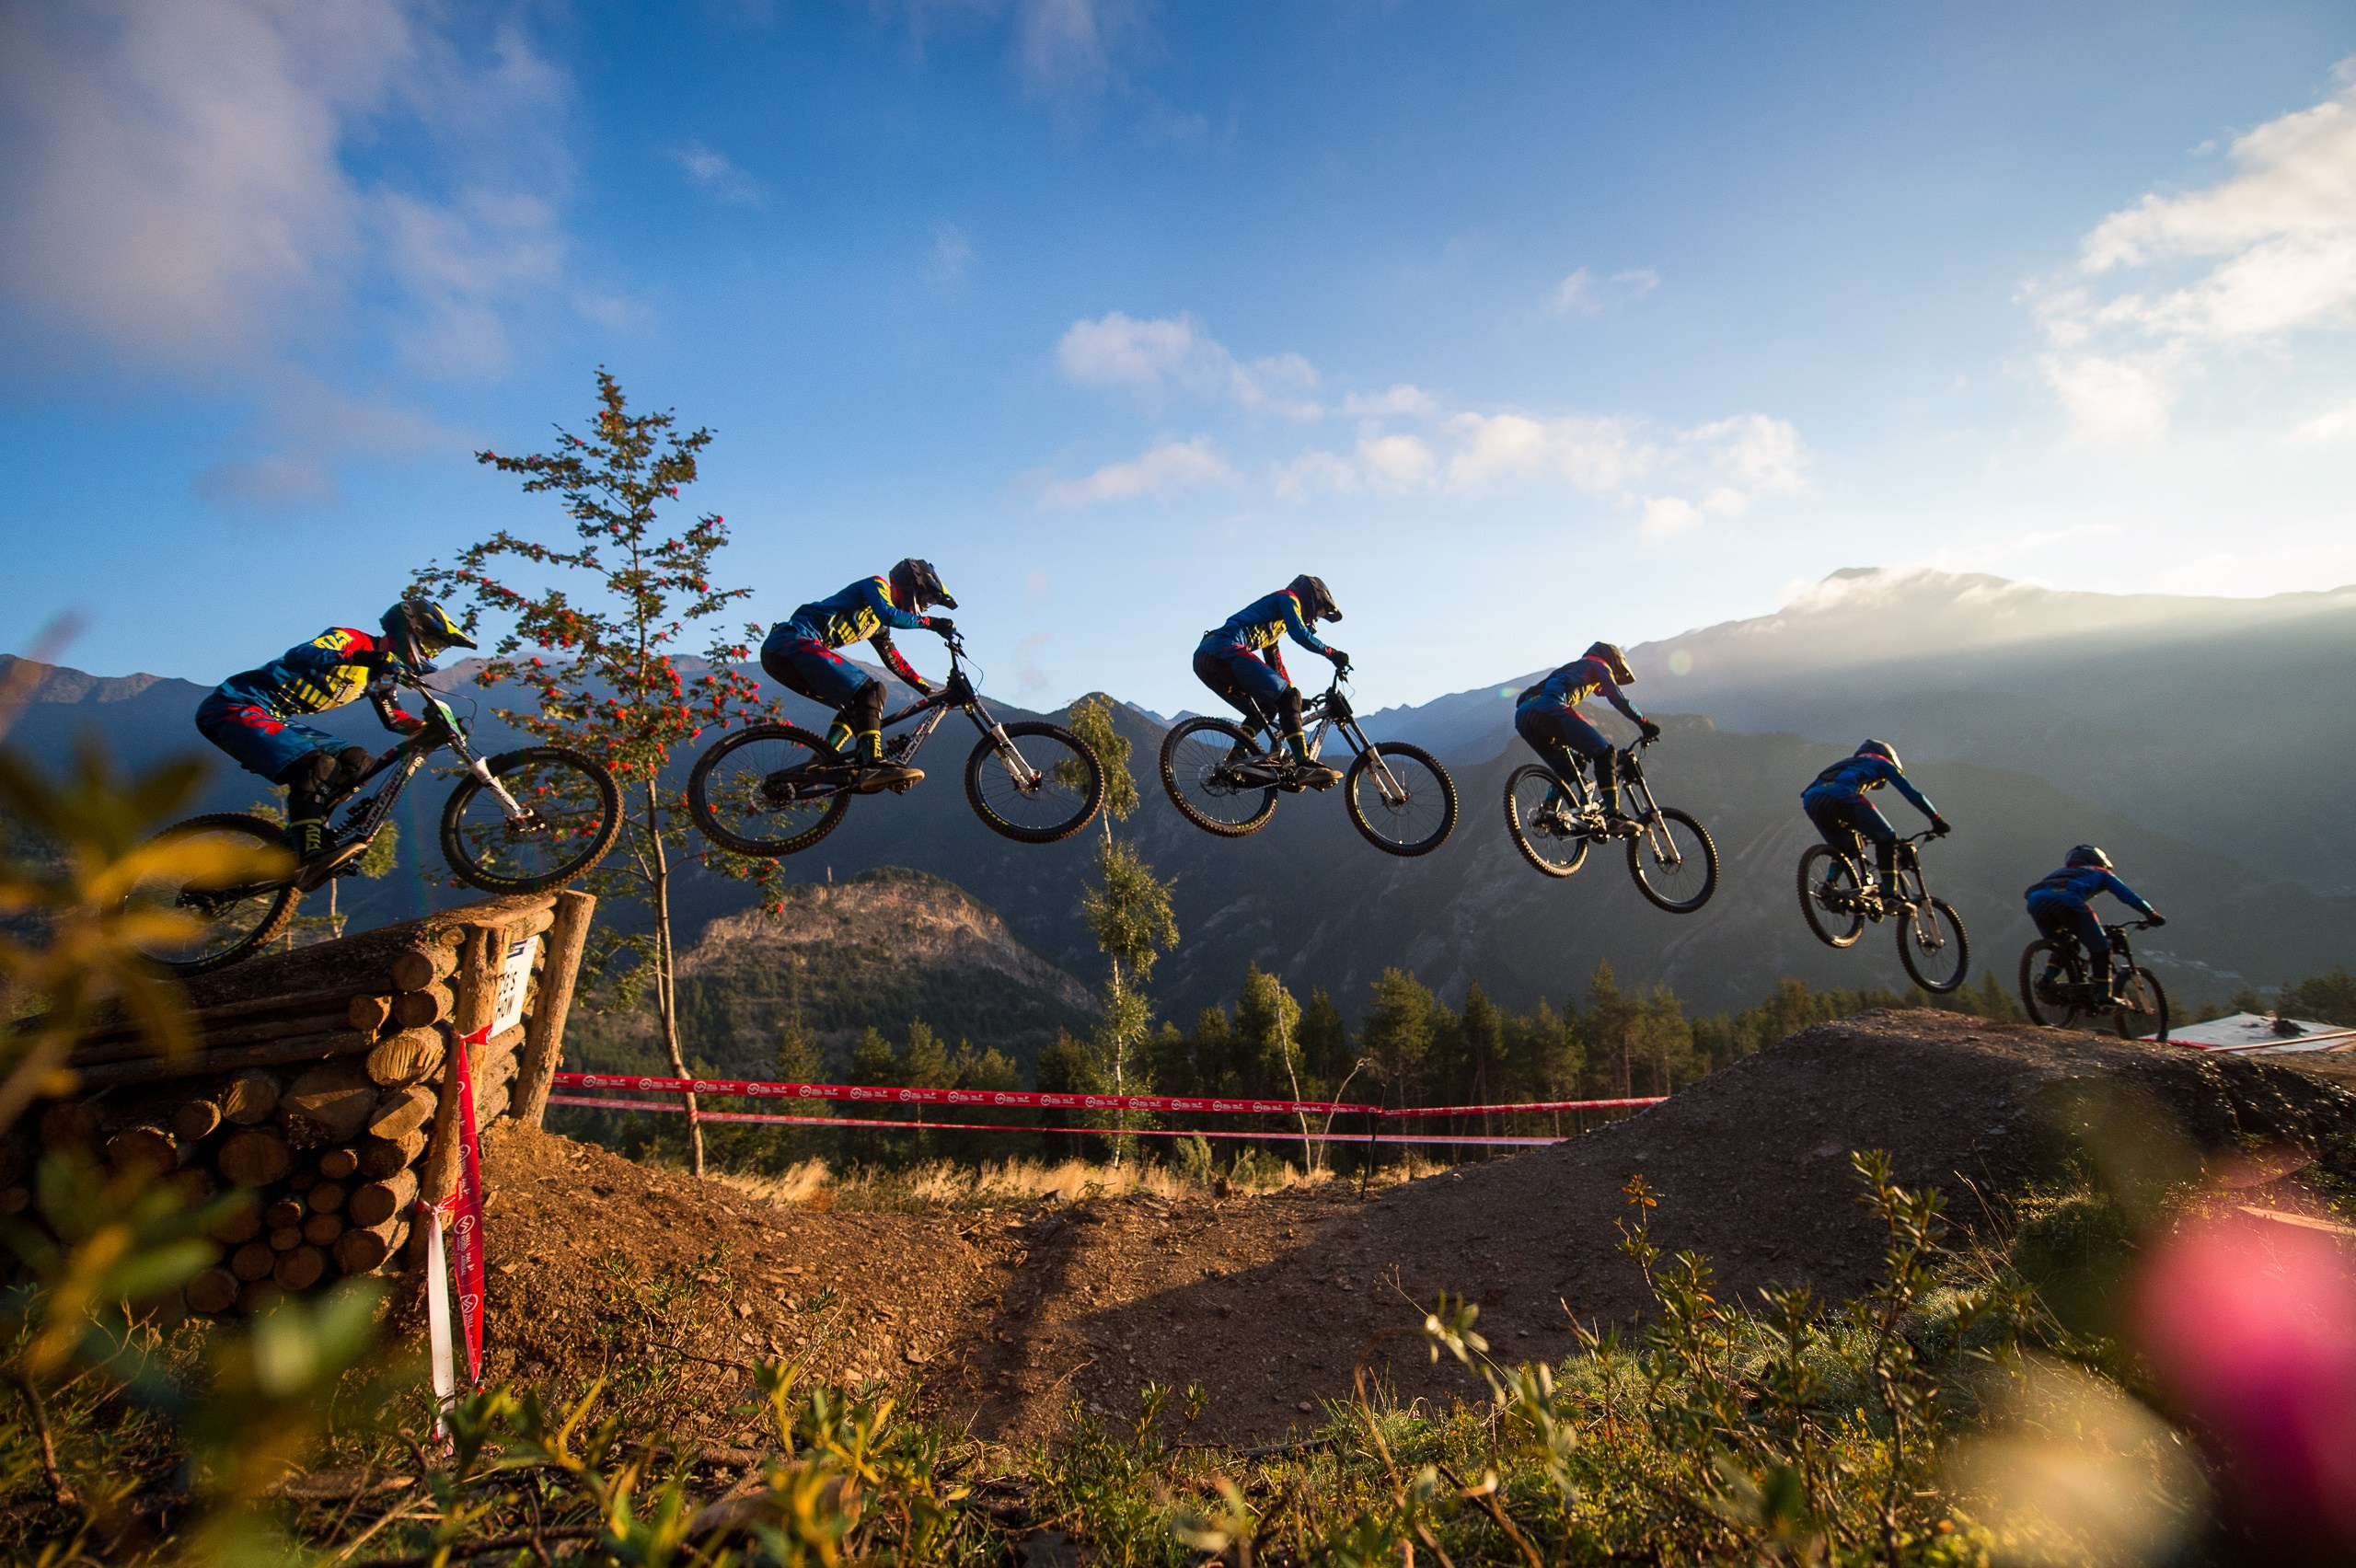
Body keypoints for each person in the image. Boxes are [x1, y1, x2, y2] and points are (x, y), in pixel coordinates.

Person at [194, 600, 477, 867]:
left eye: (437, 650)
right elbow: (301, 654)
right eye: (430, 644)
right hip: (234, 706)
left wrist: (428, 728)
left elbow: (392, 718)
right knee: (318, 764)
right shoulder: (351, 638)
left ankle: (304, 833)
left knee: (358, 762)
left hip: (274, 716)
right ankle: (308, 849)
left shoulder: (379, 676)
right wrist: (368, 656)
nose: (430, 654)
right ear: (409, 631)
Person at [760, 559, 957, 792]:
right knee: (871, 691)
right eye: (926, 600)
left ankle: (820, 761)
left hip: (785, 656)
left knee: (859, 703)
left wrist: (928, 692)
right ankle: (873, 765)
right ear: (911, 584)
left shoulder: (878, 625)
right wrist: (931, 623)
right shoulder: (877, 586)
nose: (923, 608)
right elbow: (888, 614)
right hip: (791, 642)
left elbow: (895, 661)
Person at [1193, 574, 1351, 788]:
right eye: (1319, 611)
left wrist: (1295, 699)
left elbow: (1276, 666)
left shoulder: (1274, 627)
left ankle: (1236, 756)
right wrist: (1331, 653)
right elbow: (1300, 634)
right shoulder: (1288, 599)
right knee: (1287, 698)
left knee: (1266, 707)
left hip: (1206, 659)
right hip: (1224, 649)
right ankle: (1303, 764)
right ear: (1312, 596)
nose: (1315, 618)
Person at [1514, 641, 1660, 832]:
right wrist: (1644, 723)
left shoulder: (1572, 667)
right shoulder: (1599, 665)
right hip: (1549, 709)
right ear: (1613, 661)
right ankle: (1612, 817)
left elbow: (1526, 698)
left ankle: (1549, 811)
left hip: (1523, 716)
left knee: (1573, 766)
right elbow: (1617, 698)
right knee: (1605, 753)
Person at [1800, 740, 1951, 906]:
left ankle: (1829, 887)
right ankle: (1889, 895)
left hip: (1811, 799)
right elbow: (1912, 794)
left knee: (1845, 848)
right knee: (1887, 838)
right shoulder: (1882, 763)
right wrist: (1936, 819)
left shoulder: (1849, 763)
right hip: (1841, 795)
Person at [2026, 846, 2165, 1002]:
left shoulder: (2062, 873)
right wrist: (2151, 914)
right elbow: (2128, 896)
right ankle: (2103, 996)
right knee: (2101, 947)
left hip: (2036, 901)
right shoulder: (2101, 873)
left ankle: (2047, 981)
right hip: (2067, 901)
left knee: (2063, 944)